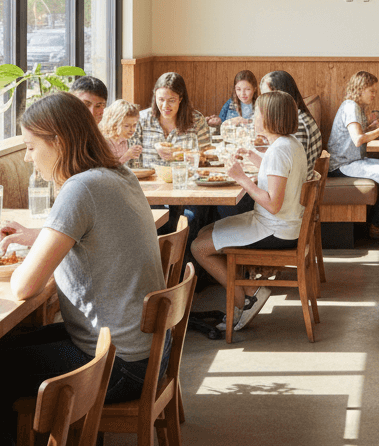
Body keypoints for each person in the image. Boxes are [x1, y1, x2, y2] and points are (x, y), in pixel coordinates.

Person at [0, 92, 163, 443]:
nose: (28, 158)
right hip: (141, 352)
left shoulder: (80, 188)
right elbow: (93, 234)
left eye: (31, 147)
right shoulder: (116, 173)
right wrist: (40, 236)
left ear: (58, 142)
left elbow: (22, 288)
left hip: (116, 366)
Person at [191, 91, 310, 332]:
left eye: (257, 113)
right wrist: (254, 156)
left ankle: (247, 297)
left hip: (275, 228)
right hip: (284, 224)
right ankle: (246, 294)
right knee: (206, 230)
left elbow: (273, 204)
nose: (253, 117)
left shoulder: (279, 150)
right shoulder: (289, 144)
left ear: (270, 118)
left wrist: (241, 178)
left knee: (198, 247)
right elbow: (278, 174)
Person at [328, 71, 379, 240]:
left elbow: (357, 135)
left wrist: (373, 126)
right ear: (360, 89)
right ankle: (377, 225)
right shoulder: (351, 107)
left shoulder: (355, 107)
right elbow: (358, 140)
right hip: (343, 165)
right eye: (371, 91)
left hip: (354, 160)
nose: (374, 95)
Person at [135, 72, 212, 161]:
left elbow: (207, 156)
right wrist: (154, 146)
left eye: (171, 100)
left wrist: (179, 155)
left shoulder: (197, 120)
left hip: (185, 174)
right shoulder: (141, 119)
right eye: (161, 99)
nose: (165, 106)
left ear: (180, 99)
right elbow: (131, 159)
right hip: (148, 175)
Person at [260, 70, 323, 173]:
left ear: (282, 94)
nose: (265, 103)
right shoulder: (299, 114)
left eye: (268, 96)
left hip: (297, 186)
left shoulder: (296, 125)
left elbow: (290, 171)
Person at [100, 99, 142, 165]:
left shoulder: (125, 139)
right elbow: (108, 169)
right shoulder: (106, 142)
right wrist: (127, 156)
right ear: (114, 124)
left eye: (134, 125)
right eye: (127, 126)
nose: (132, 129)